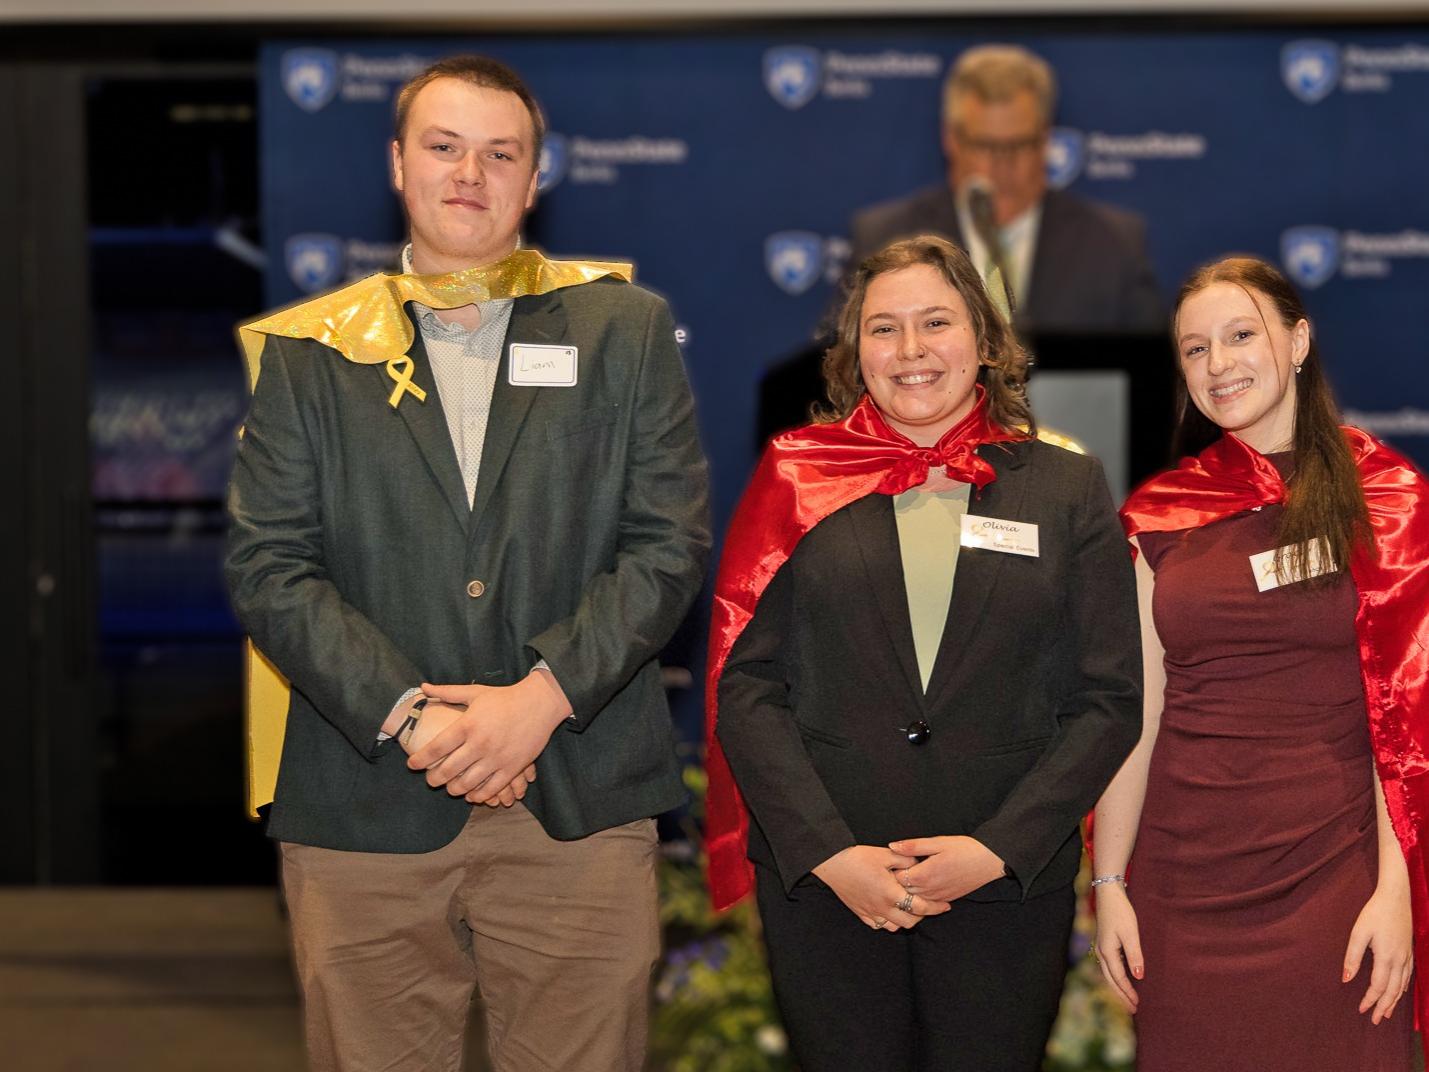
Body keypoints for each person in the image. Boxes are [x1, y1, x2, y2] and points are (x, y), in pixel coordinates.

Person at [225, 55, 710, 1071]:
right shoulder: (312, 351)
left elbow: (667, 544)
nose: (470, 174)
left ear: (536, 180)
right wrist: (413, 715)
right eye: (444, 147)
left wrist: (539, 697)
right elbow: (271, 566)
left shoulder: (623, 330)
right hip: (363, 805)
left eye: (501, 154)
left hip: (576, 800)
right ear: (399, 164)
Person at [705, 235, 1142, 1071]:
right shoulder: (801, 476)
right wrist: (830, 853)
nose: (909, 351)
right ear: (852, 350)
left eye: (934, 322)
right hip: (832, 889)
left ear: (982, 340)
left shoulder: (1065, 488)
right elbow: (747, 683)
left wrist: (995, 849)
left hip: (1003, 888)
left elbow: (1106, 699)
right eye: (883, 328)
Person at [1092, 256, 1429, 1070]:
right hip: (1184, 884)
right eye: (1195, 349)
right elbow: (1137, 717)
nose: (1218, 364)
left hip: (1336, 879)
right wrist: (1105, 887)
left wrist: (1397, 892)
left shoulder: (1385, 498)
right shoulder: (1159, 513)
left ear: (1299, 339)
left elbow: (1407, 713)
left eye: (1240, 335)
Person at [848, 44, 1162, 334]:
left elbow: (1150, 374)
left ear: (1045, 139)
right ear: (951, 140)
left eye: (1018, 145)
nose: (1001, 165)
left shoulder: (1113, 241)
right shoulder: (885, 236)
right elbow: (840, 362)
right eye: (985, 146)